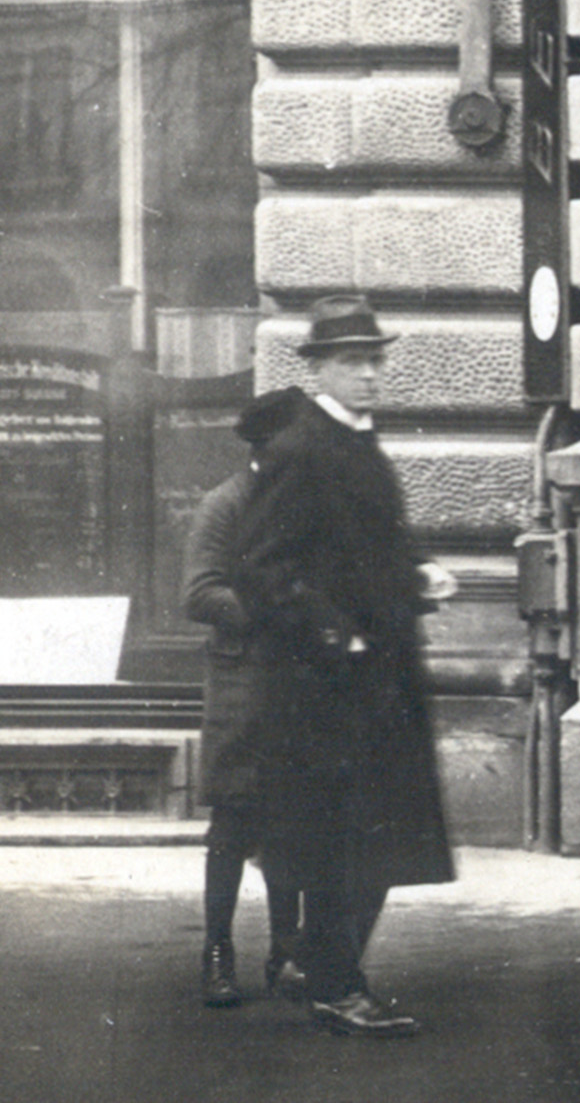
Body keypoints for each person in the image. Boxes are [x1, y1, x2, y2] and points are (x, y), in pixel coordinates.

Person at [232, 297, 457, 1038]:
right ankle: (336, 986)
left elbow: (365, 547)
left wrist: (419, 572)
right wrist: (338, 639)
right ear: (320, 370)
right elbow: (262, 570)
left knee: (375, 841)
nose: (369, 374)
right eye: (353, 361)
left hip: (376, 683)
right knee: (345, 844)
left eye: (374, 359)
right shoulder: (302, 449)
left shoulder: (358, 443)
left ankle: (320, 966)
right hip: (325, 689)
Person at [183, 386, 311, 1009]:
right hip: (241, 683)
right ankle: (217, 952)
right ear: (265, 446)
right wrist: (275, 612)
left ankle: (286, 952)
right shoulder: (225, 504)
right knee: (233, 823)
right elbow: (199, 593)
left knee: (290, 819)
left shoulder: (304, 506)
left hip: (296, 683)